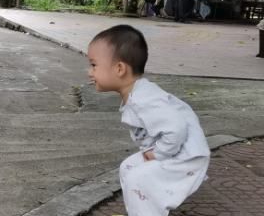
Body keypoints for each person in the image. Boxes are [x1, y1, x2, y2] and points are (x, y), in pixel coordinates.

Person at [88, 25, 209, 216]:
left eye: (94, 65)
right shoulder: (137, 94)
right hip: (176, 150)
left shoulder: (145, 99)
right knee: (128, 168)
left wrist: (159, 153)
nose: (90, 72)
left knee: (138, 178)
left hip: (185, 155)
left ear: (119, 69)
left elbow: (176, 129)